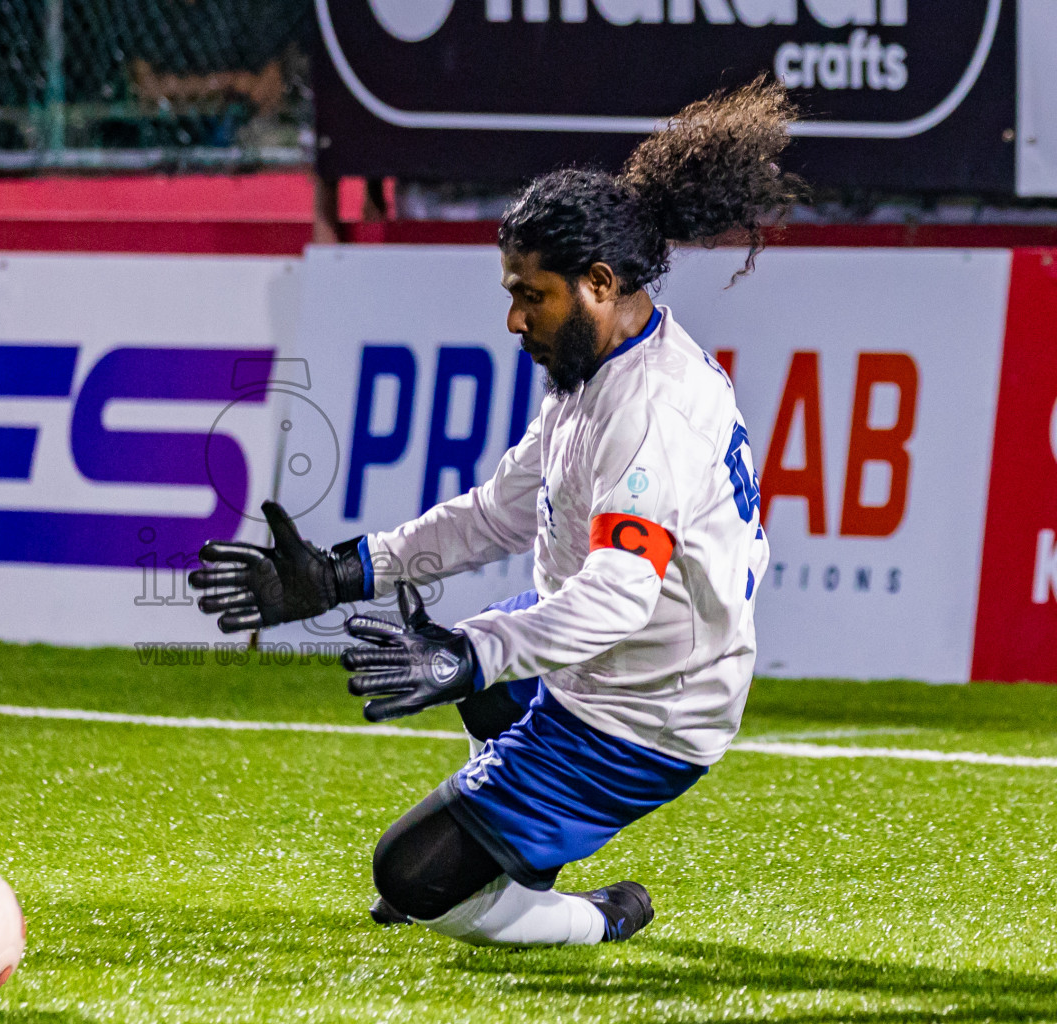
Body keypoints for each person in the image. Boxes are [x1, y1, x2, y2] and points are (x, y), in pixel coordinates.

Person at [188, 77, 802, 948]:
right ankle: (510, 845)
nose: (514, 318)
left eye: (531, 294)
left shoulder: (650, 411)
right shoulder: (600, 369)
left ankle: (600, 917)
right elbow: (498, 514)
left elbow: (622, 595)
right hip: (618, 661)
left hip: (648, 709)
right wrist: (340, 574)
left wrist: (474, 653)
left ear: (599, 281)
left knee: (412, 879)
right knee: (475, 668)